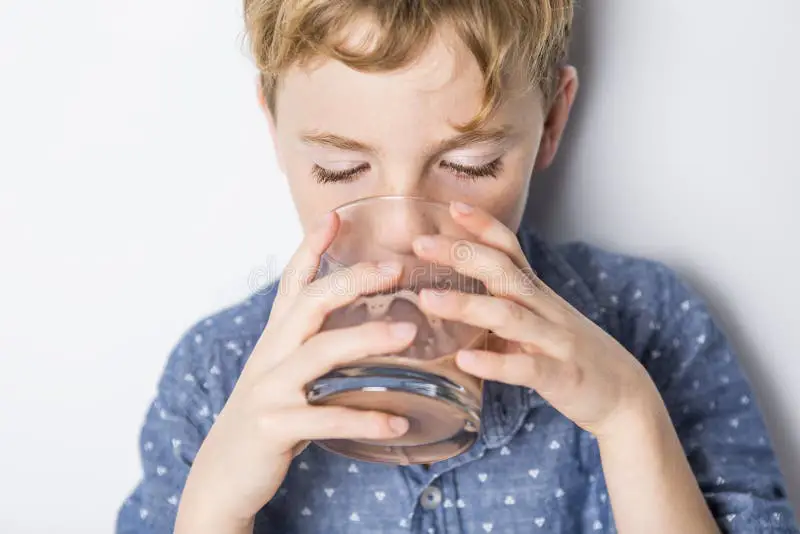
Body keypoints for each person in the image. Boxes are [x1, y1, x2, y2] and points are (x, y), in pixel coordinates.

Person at [116, 1, 799, 533]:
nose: (404, 231)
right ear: (274, 131)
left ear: (552, 121)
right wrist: (213, 514)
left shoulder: (652, 325)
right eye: (340, 169)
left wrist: (627, 419)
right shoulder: (215, 377)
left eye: (469, 166)